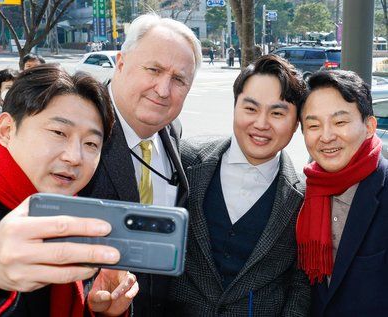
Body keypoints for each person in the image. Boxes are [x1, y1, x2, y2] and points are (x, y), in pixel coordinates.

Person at [0, 64, 138, 316]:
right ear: (6, 130)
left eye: (91, 143)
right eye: (59, 132)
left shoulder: (77, 214)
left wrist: (99, 308)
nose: (74, 157)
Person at [166, 54, 310, 316]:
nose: (261, 124)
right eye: (251, 109)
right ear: (234, 107)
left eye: (277, 113)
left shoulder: (303, 197)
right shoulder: (184, 160)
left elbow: (300, 283)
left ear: (296, 123)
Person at [80, 13, 202, 316]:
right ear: (120, 63)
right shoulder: (75, 124)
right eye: (153, 70)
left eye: (178, 79)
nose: (163, 89)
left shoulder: (172, 130)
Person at [297, 70, 388, 316]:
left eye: (340, 122)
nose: (326, 136)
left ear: (369, 126)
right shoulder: (302, 193)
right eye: (313, 125)